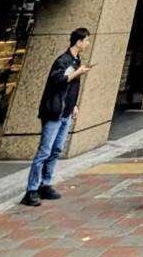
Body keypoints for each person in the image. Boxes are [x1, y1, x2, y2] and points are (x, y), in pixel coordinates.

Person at [22, 27, 92, 206]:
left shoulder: (76, 60)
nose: (88, 44)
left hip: (65, 112)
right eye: (86, 40)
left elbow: (71, 88)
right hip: (54, 111)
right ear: (78, 42)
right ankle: (31, 189)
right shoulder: (63, 60)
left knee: (56, 149)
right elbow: (58, 80)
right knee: (44, 151)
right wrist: (77, 73)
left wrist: (74, 105)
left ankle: (45, 183)